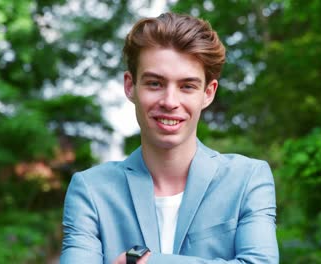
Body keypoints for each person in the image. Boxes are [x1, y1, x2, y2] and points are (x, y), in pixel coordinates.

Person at [60, 12, 279, 264]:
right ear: (130, 86)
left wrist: (146, 262)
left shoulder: (247, 179)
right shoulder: (91, 189)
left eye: (187, 86)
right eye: (155, 83)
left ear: (208, 93)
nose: (170, 102)